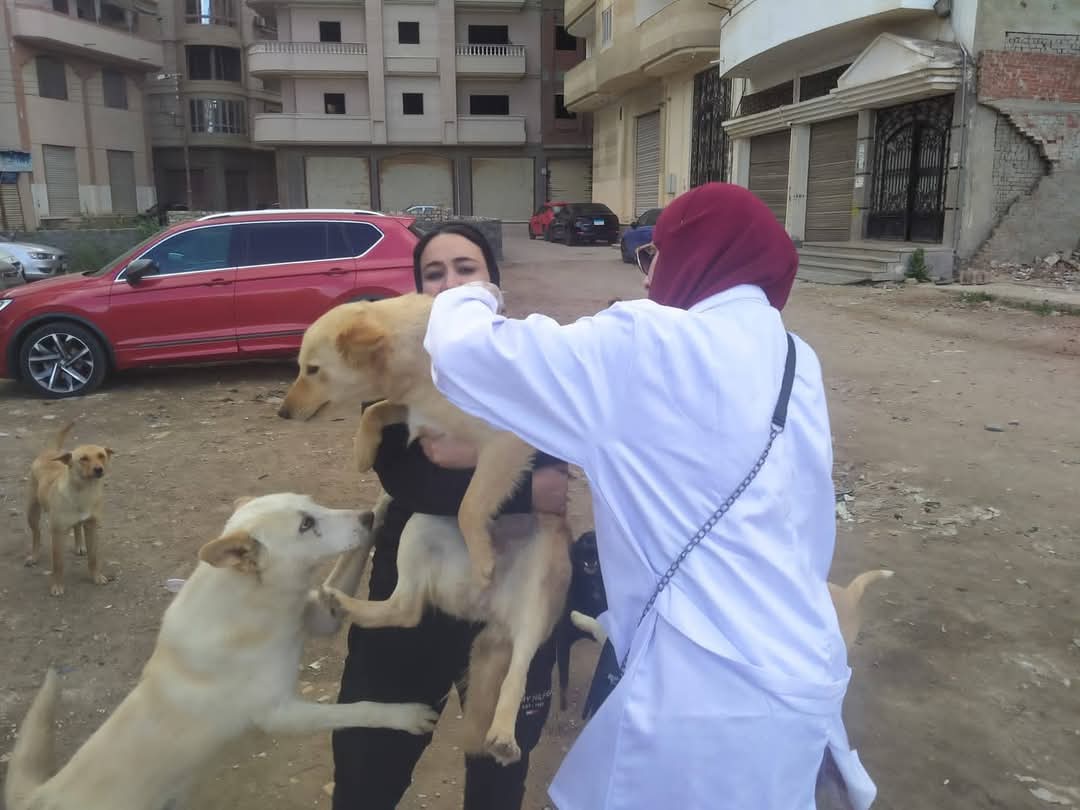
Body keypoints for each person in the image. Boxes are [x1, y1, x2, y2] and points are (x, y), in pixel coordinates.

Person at [422, 183, 878, 809]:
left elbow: (465, 354)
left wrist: (469, 292)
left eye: (653, 254)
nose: (645, 275)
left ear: (698, 253)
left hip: (701, 693)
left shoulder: (647, 343)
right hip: (801, 669)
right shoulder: (798, 361)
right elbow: (809, 526)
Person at [331, 223, 571, 810]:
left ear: (493, 283)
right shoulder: (392, 371)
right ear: (417, 291)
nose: (450, 284)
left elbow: (556, 482)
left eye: (466, 268)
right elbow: (411, 481)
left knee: (497, 776)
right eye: (433, 274)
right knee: (366, 767)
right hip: (418, 585)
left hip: (511, 586)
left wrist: (466, 455)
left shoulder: (528, 360)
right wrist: (515, 470)